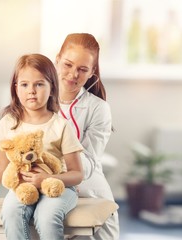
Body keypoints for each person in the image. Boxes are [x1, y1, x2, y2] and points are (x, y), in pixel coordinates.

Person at [0, 53, 84, 240]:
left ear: (52, 87)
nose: (31, 90)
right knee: (11, 213)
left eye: (39, 84)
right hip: (23, 188)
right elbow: (0, 166)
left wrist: (48, 178)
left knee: (47, 217)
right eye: (24, 84)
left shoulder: (61, 125)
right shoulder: (9, 123)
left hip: (57, 187)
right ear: (15, 88)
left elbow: (77, 174)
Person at [55, 33, 120, 239]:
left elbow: (88, 164)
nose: (73, 74)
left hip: (90, 193)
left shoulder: (99, 108)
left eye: (83, 69)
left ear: (92, 72)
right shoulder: (37, 101)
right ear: (57, 59)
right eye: (67, 64)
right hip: (50, 193)